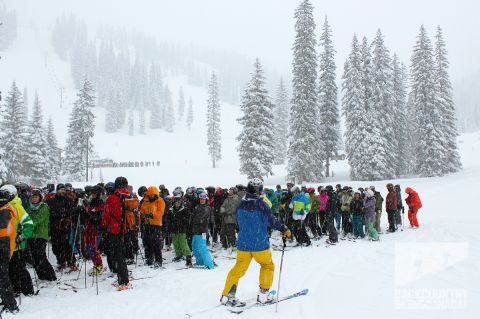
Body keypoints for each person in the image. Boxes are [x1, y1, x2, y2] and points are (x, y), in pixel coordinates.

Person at [221, 178, 291, 306]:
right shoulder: (261, 204)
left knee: (238, 269)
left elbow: (238, 220)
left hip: (243, 243)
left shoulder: (240, 203)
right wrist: (283, 228)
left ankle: (227, 295)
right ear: (260, 189)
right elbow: (272, 220)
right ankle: (263, 294)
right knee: (267, 266)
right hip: (259, 243)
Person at [0, 185, 34, 296]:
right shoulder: (4, 206)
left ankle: (28, 290)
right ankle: (15, 289)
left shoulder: (17, 206)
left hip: (16, 243)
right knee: (9, 270)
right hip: (6, 244)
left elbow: (29, 224)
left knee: (19, 268)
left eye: (6, 193)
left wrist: (23, 236)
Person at [102, 177, 131, 291]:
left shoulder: (112, 198)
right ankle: (124, 278)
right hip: (125, 228)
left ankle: (123, 280)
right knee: (121, 255)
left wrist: (103, 226)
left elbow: (107, 215)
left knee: (118, 255)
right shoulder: (128, 196)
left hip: (115, 229)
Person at [27, 189, 56, 281]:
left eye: (36, 197)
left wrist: (27, 222)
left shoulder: (44, 207)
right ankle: (41, 276)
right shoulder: (29, 208)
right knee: (34, 257)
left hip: (40, 235)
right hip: (31, 235)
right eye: (33, 197)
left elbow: (38, 219)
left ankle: (51, 276)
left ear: (40, 198)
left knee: (40, 256)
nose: (34, 199)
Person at [47, 184, 75, 271]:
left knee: (67, 245)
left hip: (65, 227)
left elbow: (71, 212)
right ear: (57, 190)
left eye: (63, 189)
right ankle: (61, 262)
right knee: (56, 246)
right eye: (61, 189)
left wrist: (67, 218)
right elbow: (48, 213)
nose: (63, 191)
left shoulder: (68, 200)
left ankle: (71, 262)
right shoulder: (51, 201)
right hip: (54, 227)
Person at [0, 189, 20, 314]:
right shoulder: (5, 209)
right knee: (2, 277)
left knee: (3, 277)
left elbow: (3, 231)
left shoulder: (5, 211)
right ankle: (6, 300)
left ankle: (11, 304)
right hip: (4, 246)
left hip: (3, 247)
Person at [139, 186, 166, 268]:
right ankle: (149, 258)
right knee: (147, 242)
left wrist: (151, 215)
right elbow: (142, 210)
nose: (151, 196)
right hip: (147, 224)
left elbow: (160, 212)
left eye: (152, 195)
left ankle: (158, 260)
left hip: (156, 225)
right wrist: (141, 214)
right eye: (150, 194)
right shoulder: (145, 200)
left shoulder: (160, 201)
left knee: (156, 243)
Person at [84, 185, 105, 276]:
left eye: (94, 193)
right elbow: (88, 213)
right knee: (89, 248)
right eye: (92, 193)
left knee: (93, 248)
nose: (92, 195)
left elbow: (101, 218)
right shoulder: (91, 203)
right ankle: (96, 265)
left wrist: (94, 216)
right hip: (89, 228)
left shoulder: (101, 204)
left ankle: (99, 265)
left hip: (96, 229)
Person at [191, 193, 215, 269]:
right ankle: (200, 261)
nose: (202, 200)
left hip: (202, 231)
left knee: (202, 247)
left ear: (206, 200)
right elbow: (193, 217)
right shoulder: (197, 207)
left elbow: (201, 218)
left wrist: (195, 219)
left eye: (203, 199)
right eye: (201, 199)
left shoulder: (207, 208)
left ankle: (209, 264)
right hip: (196, 230)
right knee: (194, 247)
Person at [170, 192, 193, 266]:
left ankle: (188, 258)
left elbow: (188, 220)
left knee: (183, 244)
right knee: (176, 243)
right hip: (173, 230)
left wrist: (184, 225)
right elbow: (169, 220)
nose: (177, 203)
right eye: (176, 202)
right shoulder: (171, 210)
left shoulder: (184, 210)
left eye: (179, 202)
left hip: (181, 230)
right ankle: (178, 255)